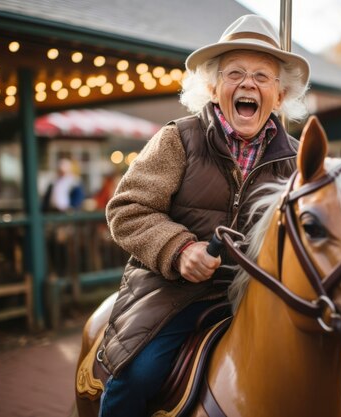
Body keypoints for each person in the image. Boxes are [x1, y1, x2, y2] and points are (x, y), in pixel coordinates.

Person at [97, 14, 310, 417]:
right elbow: (127, 209)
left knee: (332, 370)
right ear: (213, 87)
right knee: (137, 377)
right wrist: (180, 250)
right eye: (235, 73)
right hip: (174, 293)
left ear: (279, 96)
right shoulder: (178, 138)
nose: (249, 84)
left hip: (260, 296)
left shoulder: (299, 160)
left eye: (263, 76)